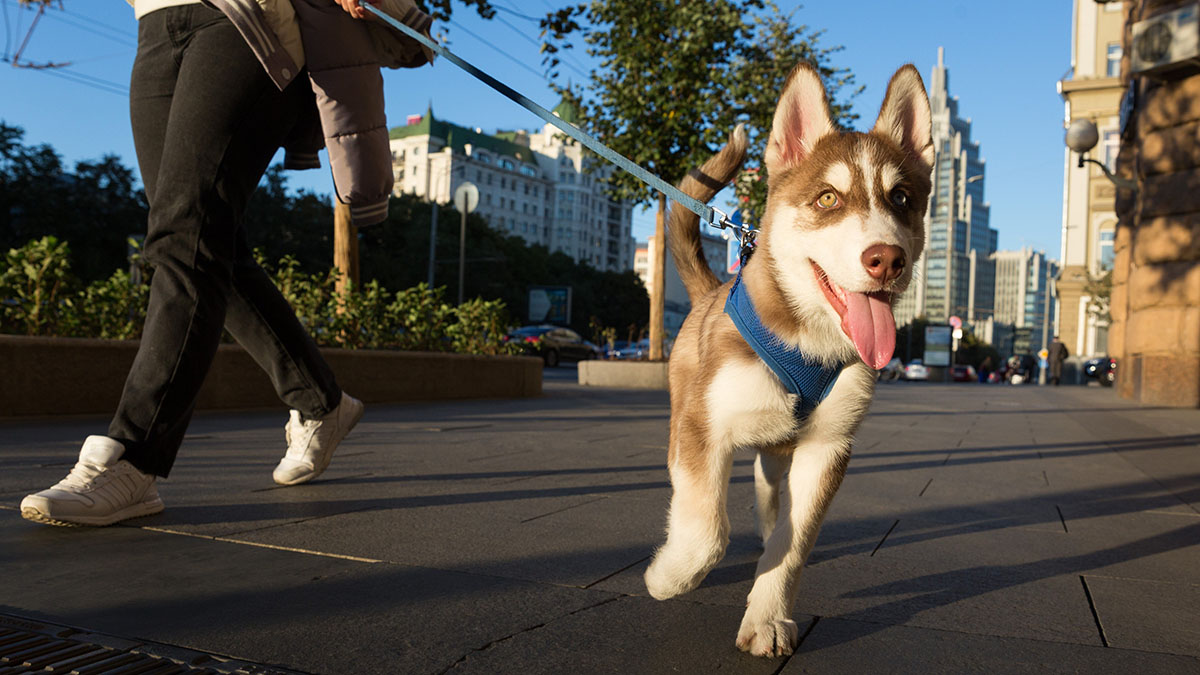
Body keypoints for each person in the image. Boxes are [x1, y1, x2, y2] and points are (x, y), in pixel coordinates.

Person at [20, 0, 433, 527]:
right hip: (154, 20)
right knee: (202, 240)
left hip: (248, 19)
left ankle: (133, 458)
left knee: (186, 233)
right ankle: (320, 399)